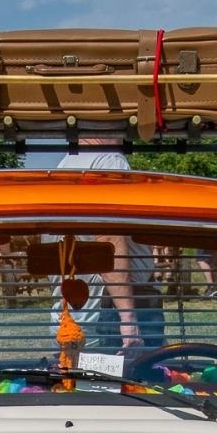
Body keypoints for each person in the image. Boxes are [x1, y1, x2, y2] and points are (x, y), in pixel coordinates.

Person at [54, 140, 160, 347]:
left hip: (76, 318)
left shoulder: (66, 164)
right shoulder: (108, 162)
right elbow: (108, 238)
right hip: (109, 317)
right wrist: (128, 318)